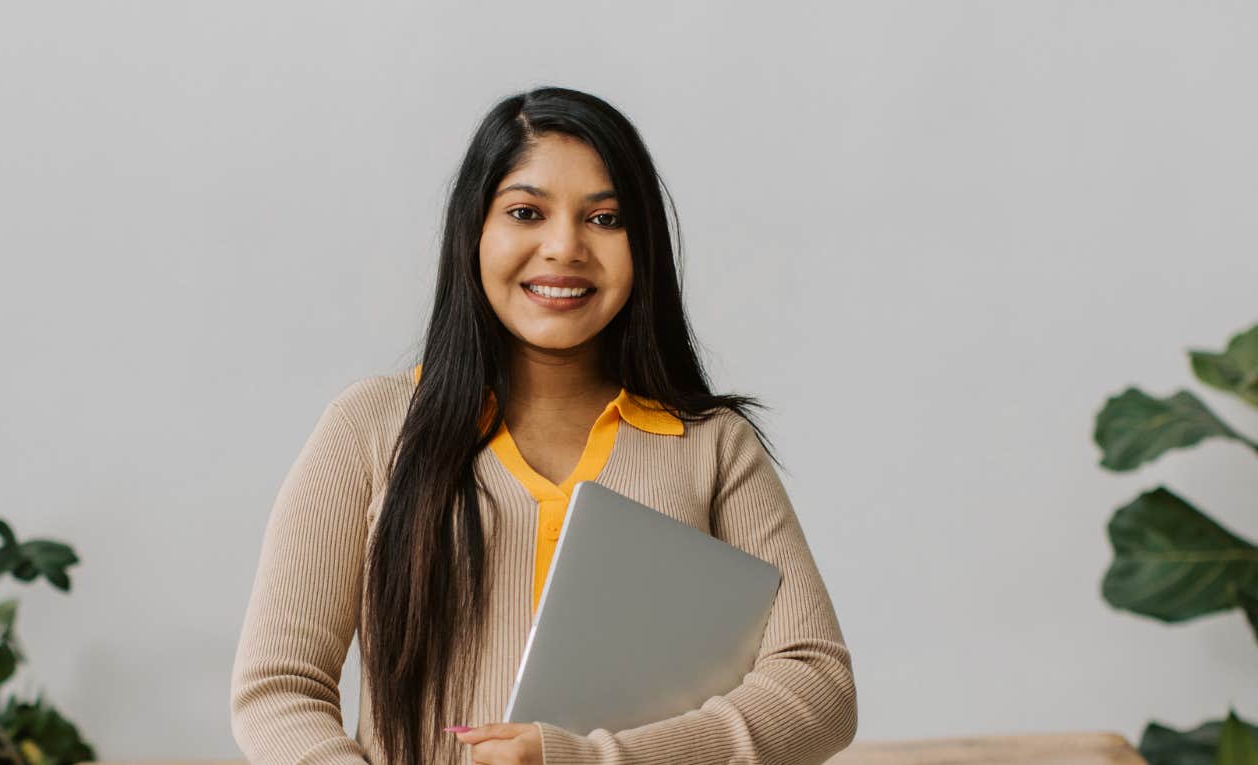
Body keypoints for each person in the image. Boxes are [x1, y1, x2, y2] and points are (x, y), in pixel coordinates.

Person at [229, 85, 858, 765]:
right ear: (475, 230)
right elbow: (278, 688)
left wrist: (593, 759)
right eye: (526, 212)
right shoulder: (371, 427)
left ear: (641, 244)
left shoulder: (712, 445)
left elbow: (818, 685)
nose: (564, 247)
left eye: (606, 218)